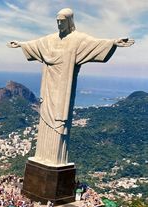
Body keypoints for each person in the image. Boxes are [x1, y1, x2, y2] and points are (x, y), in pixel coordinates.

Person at [8, 8, 134, 165]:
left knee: (59, 122)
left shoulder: (78, 39)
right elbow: (36, 45)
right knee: (45, 121)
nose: (60, 24)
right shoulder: (50, 39)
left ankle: (56, 160)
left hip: (63, 90)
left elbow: (96, 44)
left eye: (63, 21)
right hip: (48, 88)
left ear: (69, 21)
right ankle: (42, 156)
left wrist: (113, 42)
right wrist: (21, 44)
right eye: (58, 21)